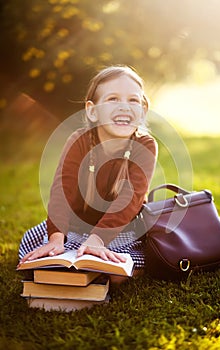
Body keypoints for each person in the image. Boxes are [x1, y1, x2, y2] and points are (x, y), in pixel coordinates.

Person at [18, 65, 158, 283]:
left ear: (143, 110)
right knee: (32, 239)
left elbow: (130, 198)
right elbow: (61, 190)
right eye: (113, 99)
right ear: (92, 111)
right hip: (75, 228)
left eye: (133, 100)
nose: (124, 107)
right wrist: (56, 239)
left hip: (118, 230)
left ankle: (101, 268)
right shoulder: (79, 140)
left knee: (121, 265)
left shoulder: (146, 145)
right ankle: (71, 263)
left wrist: (97, 240)